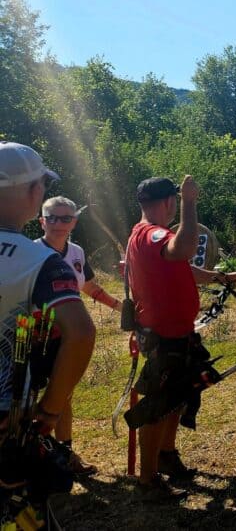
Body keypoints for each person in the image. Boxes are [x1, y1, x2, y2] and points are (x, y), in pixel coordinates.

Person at [125, 176, 236, 499]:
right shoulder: (153, 234)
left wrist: (219, 277)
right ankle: (148, 480)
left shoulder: (146, 237)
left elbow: (183, 266)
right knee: (159, 404)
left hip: (177, 333)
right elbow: (185, 247)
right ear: (168, 203)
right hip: (165, 336)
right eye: (176, 202)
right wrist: (191, 202)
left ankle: (166, 455)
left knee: (176, 396)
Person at [0, 142, 96, 496]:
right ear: (33, 192)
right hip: (8, 415)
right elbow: (82, 333)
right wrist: (52, 409)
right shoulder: (39, 260)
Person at [35, 196, 122, 476]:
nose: (59, 224)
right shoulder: (31, 252)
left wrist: (120, 307)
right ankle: (28, 458)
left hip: (67, 336)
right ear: (42, 221)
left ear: (74, 221)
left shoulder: (76, 252)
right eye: (53, 218)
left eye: (66, 218)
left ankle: (64, 454)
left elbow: (89, 287)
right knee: (24, 399)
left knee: (64, 396)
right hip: (33, 336)